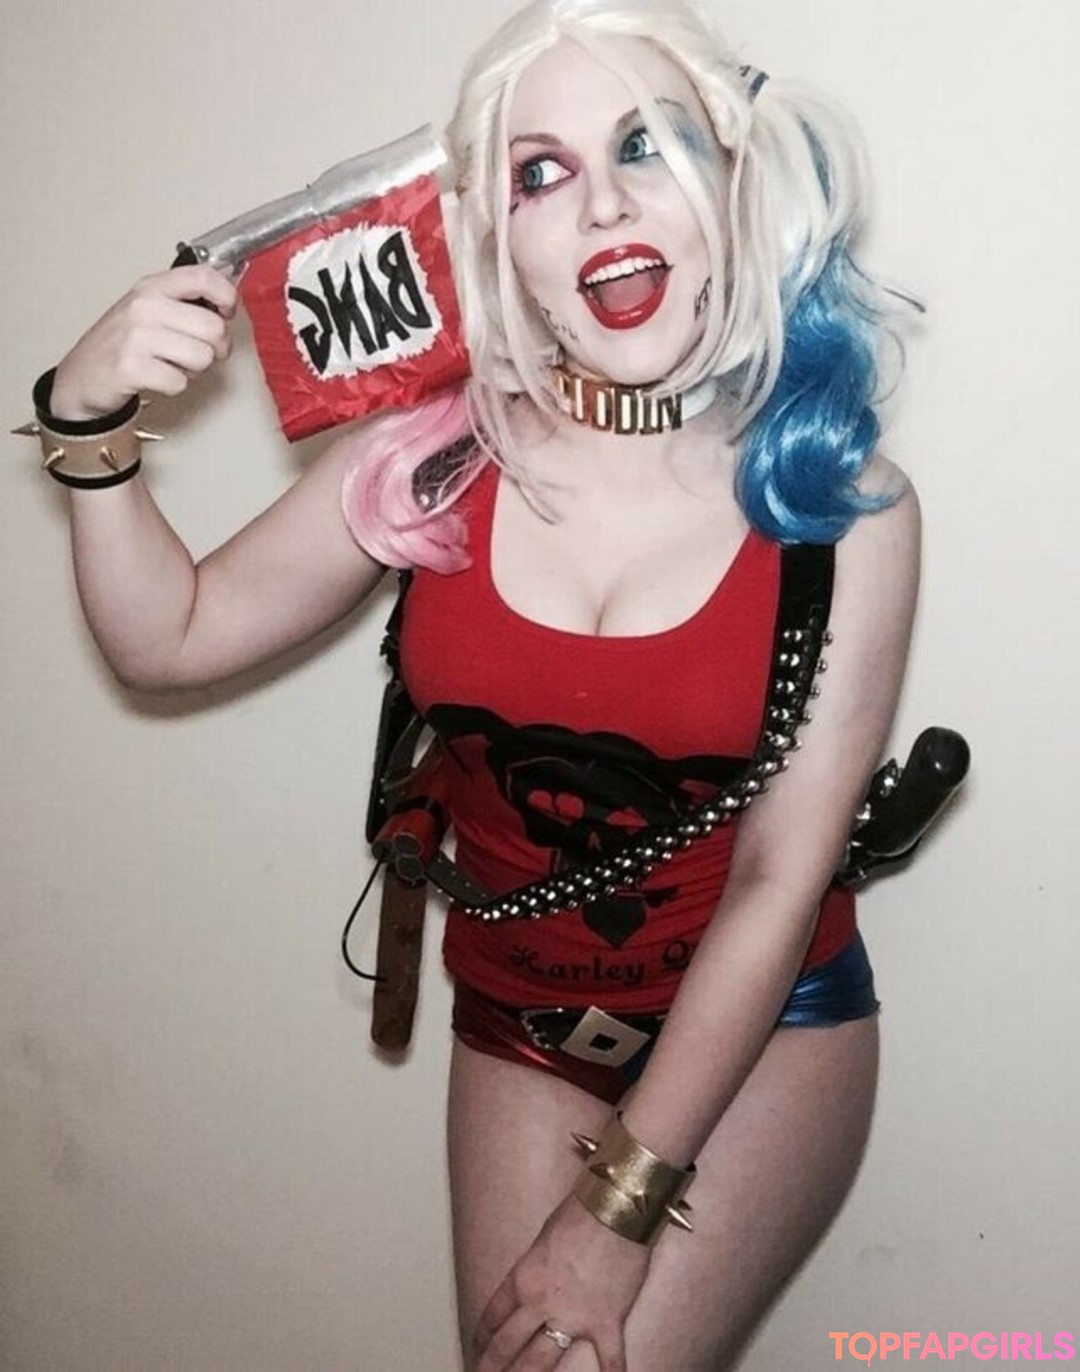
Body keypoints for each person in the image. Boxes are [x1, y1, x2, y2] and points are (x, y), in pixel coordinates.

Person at [29, 0, 919, 1366]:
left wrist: (615, 1212)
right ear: (494, 237)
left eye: (647, 143)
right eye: (539, 172)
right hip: (521, 1019)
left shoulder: (844, 507)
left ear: (735, 180)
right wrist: (88, 427)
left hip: (767, 1026)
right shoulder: (435, 459)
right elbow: (173, 637)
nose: (603, 203)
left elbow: (776, 883)